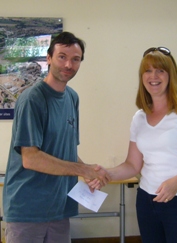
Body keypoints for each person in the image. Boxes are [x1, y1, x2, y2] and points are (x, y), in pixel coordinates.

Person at [89, 47, 177, 242]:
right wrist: (106, 174)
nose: (153, 76)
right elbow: (132, 165)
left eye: (160, 70)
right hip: (147, 201)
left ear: (170, 75)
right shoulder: (139, 117)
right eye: (147, 71)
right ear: (142, 77)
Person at [3, 31, 110, 243]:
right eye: (62, 56)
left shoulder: (72, 98)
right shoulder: (32, 99)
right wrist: (82, 170)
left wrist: (90, 171)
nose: (68, 65)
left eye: (75, 59)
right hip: (28, 211)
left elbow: (67, 151)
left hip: (60, 208)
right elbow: (30, 158)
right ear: (49, 58)